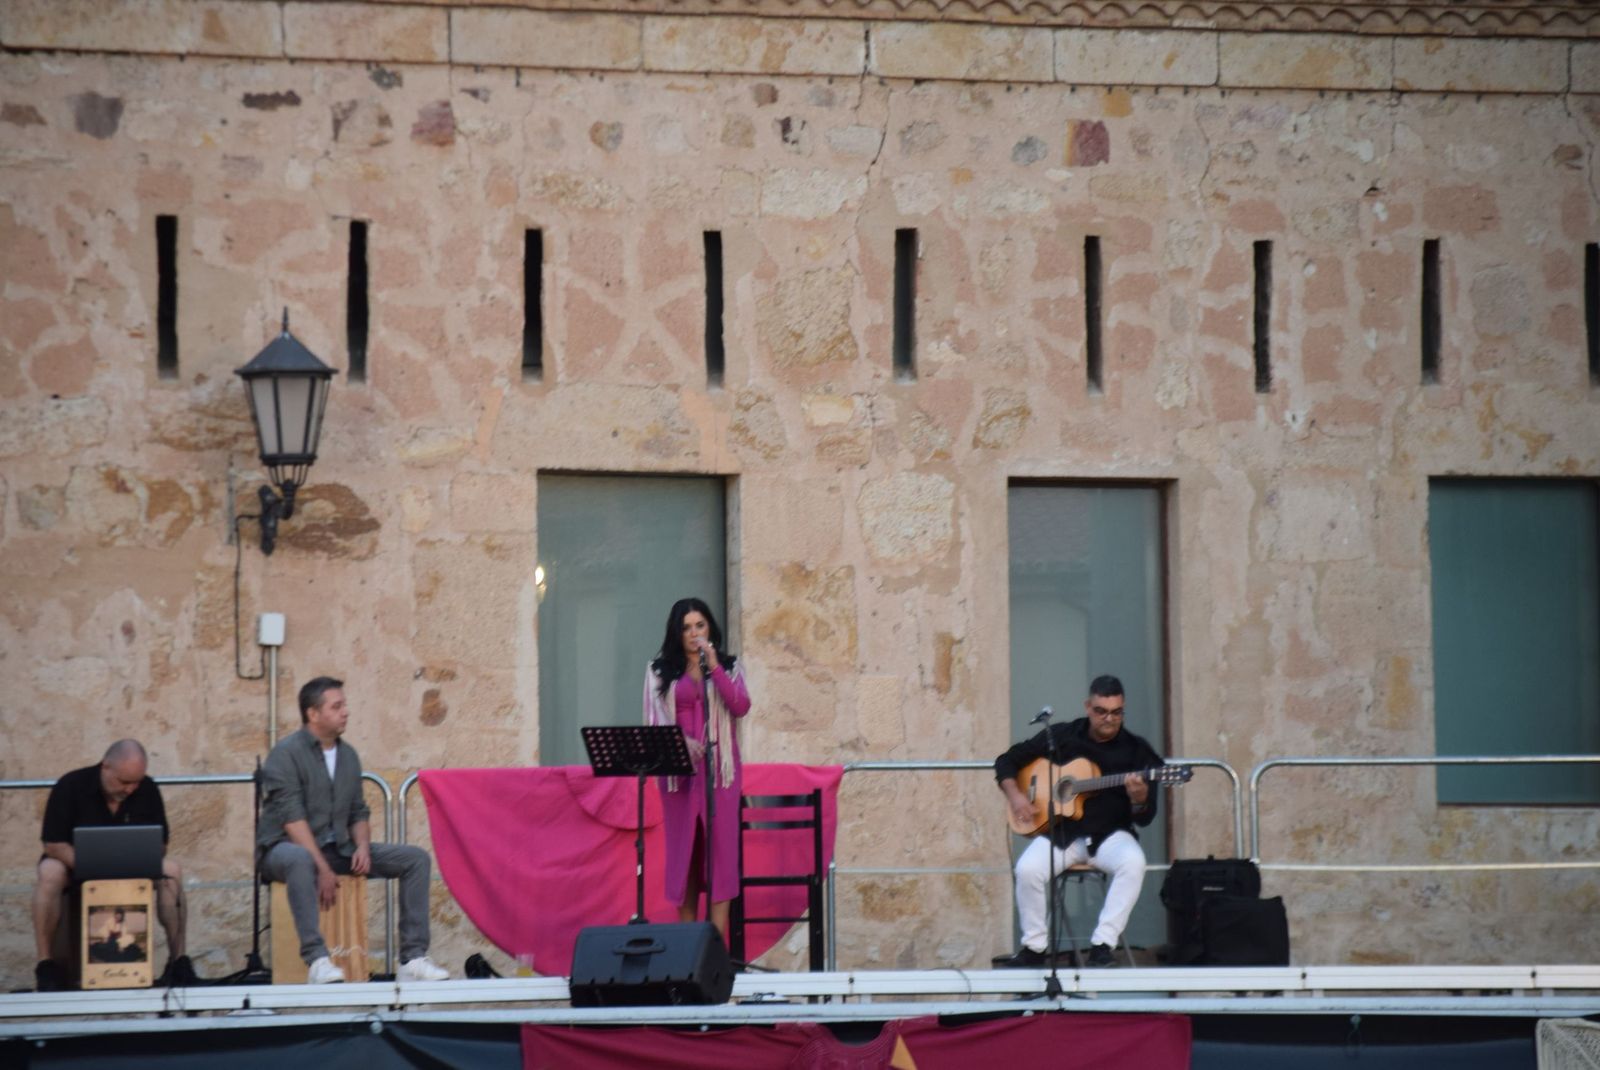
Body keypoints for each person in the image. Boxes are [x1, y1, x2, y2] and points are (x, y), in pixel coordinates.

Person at [257, 676, 449, 984]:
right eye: (336, 706)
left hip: (337, 849)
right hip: (283, 850)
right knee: (299, 859)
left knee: (415, 859)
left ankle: (412, 959)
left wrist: (361, 846)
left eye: (344, 705)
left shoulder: (348, 756)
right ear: (313, 714)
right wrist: (322, 868)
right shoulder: (286, 754)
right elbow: (291, 820)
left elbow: (358, 811)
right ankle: (317, 960)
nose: (345, 711)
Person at [993, 675, 1165, 968]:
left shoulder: (1138, 752)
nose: (1108, 719)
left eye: (1116, 712)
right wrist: (1016, 796)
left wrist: (1139, 799)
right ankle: (1034, 948)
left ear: (1123, 710)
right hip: (1064, 834)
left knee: (1134, 863)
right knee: (1027, 868)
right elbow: (1006, 760)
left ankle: (1102, 945)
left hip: (1110, 835)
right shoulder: (1063, 735)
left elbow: (1146, 818)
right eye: (1101, 711)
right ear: (1088, 706)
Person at [33, 739, 193, 991]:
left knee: (171, 870)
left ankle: (179, 961)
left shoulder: (148, 789)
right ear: (105, 766)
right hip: (77, 868)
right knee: (49, 871)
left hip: (132, 866)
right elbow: (53, 844)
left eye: (135, 783)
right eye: (124, 782)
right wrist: (90, 864)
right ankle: (45, 964)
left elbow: (161, 844)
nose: (130, 789)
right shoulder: (71, 785)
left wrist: (139, 856)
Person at [643, 598, 752, 944]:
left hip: (721, 774)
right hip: (679, 775)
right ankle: (687, 944)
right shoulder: (659, 671)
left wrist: (715, 667)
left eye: (699, 626)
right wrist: (681, 742)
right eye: (686, 627)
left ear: (709, 628)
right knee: (685, 854)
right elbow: (654, 720)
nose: (694, 634)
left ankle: (715, 947)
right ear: (677, 633)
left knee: (721, 855)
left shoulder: (729, 667)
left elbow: (740, 705)